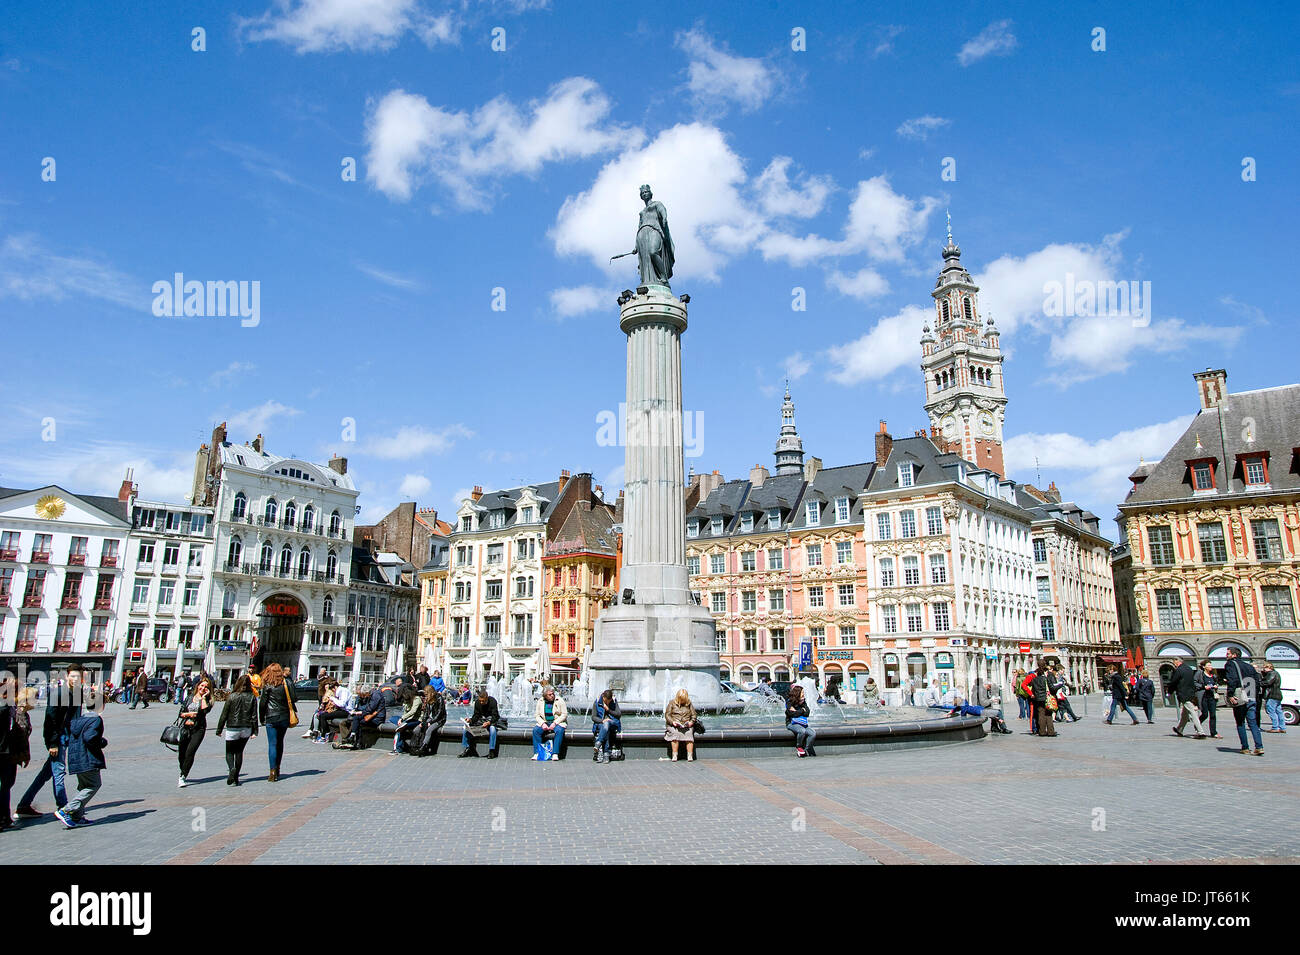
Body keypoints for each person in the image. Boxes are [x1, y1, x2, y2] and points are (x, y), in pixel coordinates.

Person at [15, 663, 85, 819]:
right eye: (73, 676)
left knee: (46, 774)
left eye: (79, 676)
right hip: (58, 738)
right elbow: (50, 719)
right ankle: (63, 807)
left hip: (67, 737)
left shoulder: (77, 693)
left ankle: (23, 806)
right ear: (67, 676)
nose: (76, 679)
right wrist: (52, 743)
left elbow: (76, 717)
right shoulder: (58, 693)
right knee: (59, 772)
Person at [55, 709, 107, 829]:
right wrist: (102, 742)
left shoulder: (78, 720)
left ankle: (76, 817)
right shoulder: (95, 719)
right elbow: (90, 738)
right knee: (93, 785)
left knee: (83, 787)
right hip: (88, 758)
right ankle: (66, 810)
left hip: (76, 759)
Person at [0, 683, 34, 832]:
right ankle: (3, 818)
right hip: (5, 753)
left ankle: (5, 817)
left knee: (6, 785)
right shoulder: (7, 709)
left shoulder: (10, 708)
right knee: (6, 785)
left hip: (7, 752)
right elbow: (18, 733)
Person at [214, 674, 258, 785]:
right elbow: (254, 716)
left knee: (229, 752)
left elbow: (224, 714)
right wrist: (255, 731)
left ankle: (231, 768)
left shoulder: (232, 696)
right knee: (239, 752)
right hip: (246, 728)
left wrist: (219, 729)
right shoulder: (252, 697)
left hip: (233, 727)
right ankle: (236, 777)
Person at [257, 663, 295, 781]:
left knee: (272, 744)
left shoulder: (268, 685)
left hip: (271, 717)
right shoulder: (287, 683)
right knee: (280, 742)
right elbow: (294, 698)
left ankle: (272, 771)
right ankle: (278, 768)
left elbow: (262, 703)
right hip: (284, 716)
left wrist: (261, 717)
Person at [1223, 647, 1263, 756]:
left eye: (1228, 653)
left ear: (1234, 655)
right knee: (1253, 723)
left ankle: (1245, 747)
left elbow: (1233, 679)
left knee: (1240, 723)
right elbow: (1257, 682)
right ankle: (1259, 747)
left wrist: (1230, 694)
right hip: (1251, 694)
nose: (1226, 655)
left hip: (1240, 695)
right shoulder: (1249, 666)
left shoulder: (1230, 664)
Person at [177, 673, 214, 788]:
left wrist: (203, 698)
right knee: (181, 754)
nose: (203, 688)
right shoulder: (189, 697)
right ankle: (183, 768)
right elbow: (180, 713)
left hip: (199, 729)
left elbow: (204, 711)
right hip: (186, 728)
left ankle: (183, 776)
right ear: (198, 685)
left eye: (206, 687)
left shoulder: (209, 700)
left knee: (190, 752)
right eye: (202, 686)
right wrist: (189, 714)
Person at [1167, 657, 1207, 739]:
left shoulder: (1179, 670)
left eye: (1174, 662)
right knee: (1185, 714)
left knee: (1192, 712)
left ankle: (1200, 732)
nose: (1174, 664)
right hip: (1190, 693)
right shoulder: (1189, 669)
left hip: (1183, 693)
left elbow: (1174, 681)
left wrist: (1169, 691)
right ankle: (1179, 729)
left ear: (1178, 661)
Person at [459, 689, 500, 758]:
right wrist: (470, 720)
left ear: (487, 698)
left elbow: (496, 716)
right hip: (481, 721)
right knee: (465, 729)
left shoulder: (493, 701)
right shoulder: (477, 702)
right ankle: (467, 749)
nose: (481, 702)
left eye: (483, 701)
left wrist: (489, 723)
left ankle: (491, 750)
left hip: (491, 721)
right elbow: (476, 715)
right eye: (480, 700)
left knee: (493, 730)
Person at [531, 686, 568, 760]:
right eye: (549, 694)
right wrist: (542, 723)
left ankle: (555, 753)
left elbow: (564, 714)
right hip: (545, 721)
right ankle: (537, 753)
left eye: (553, 694)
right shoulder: (540, 701)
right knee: (535, 730)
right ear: (545, 695)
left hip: (557, 722)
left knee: (559, 731)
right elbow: (537, 715)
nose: (552, 696)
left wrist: (555, 723)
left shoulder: (559, 700)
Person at [662, 688, 697, 761]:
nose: (683, 701)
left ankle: (690, 755)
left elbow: (694, 715)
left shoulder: (689, 703)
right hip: (674, 725)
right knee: (675, 734)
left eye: (684, 699)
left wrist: (691, 722)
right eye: (681, 699)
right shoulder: (672, 703)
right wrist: (672, 722)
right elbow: (667, 715)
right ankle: (675, 755)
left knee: (689, 733)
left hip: (686, 725)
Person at [414, 686, 447, 756]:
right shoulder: (428, 699)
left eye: (426, 694)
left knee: (429, 730)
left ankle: (423, 748)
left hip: (439, 719)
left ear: (430, 693)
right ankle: (416, 746)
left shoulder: (439, 698)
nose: (425, 696)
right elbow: (426, 713)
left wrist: (430, 722)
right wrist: (423, 722)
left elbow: (439, 713)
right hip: (431, 719)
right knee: (416, 729)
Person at [391, 687, 424, 755]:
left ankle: (397, 749)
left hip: (417, 720)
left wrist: (402, 718)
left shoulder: (417, 699)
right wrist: (402, 719)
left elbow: (413, 711)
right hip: (408, 719)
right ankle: (403, 725)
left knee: (400, 730)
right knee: (392, 718)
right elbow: (405, 712)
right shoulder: (407, 700)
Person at [785, 684, 816, 756]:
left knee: (813, 733)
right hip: (791, 723)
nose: (803, 694)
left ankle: (807, 748)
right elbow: (791, 714)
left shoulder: (803, 702)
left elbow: (807, 713)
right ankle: (799, 746)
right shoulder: (789, 702)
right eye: (802, 693)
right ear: (797, 693)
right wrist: (802, 710)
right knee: (802, 731)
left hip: (802, 723)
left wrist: (797, 711)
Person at [591, 689, 622, 763]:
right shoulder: (597, 702)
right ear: (603, 697)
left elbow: (619, 714)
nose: (607, 702)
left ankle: (599, 742)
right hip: (601, 724)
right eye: (605, 700)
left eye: (609, 701)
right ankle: (606, 754)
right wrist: (602, 721)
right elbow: (593, 717)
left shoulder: (614, 701)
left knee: (607, 724)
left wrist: (608, 710)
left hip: (612, 723)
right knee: (606, 727)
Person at [1029, 665, 1057, 737]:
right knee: (1048, 715)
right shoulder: (1045, 679)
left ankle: (1042, 731)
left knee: (1041, 715)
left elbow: (1033, 688)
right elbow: (1051, 688)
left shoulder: (1034, 680)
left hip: (1038, 699)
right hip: (1046, 698)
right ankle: (1051, 731)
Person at [1198, 661, 1222, 739]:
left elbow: (1217, 682)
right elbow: (1194, 683)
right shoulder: (1200, 674)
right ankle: (1197, 725)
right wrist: (1203, 686)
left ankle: (1213, 732)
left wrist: (1216, 686)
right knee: (1205, 714)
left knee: (1213, 715)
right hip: (1204, 696)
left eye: (1211, 665)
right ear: (1204, 667)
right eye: (1208, 665)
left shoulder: (1213, 675)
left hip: (1212, 696)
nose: (1210, 666)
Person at [1259, 662, 1286, 733]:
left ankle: (1275, 727)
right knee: (1279, 711)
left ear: (1269, 667)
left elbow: (1268, 682)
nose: (1263, 669)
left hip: (1272, 695)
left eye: (1264, 667)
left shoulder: (1272, 673)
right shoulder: (1276, 673)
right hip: (1278, 695)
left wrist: (1259, 683)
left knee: (1271, 711)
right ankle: (1282, 727)